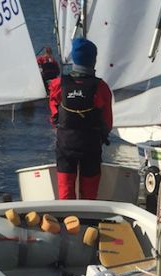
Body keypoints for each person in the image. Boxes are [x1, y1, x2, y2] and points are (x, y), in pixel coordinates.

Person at [48, 38, 113, 200]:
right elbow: (107, 121)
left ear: (75, 59)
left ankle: (67, 215)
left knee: (65, 192)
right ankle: (88, 215)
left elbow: (54, 116)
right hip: (91, 147)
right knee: (89, 194)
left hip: (65, 146)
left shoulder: (58, 84)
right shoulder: (101, 87)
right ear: (93, 60)